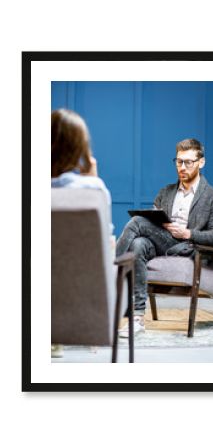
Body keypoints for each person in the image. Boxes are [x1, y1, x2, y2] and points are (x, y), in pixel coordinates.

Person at [117, 138, 213, 337]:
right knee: (138, 243)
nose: (182, 167)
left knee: (137, 223)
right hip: (163, 242)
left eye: (188, 162)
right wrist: (156, 220)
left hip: (187, 245)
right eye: (178, 162)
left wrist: (188, 233)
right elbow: (153, 222)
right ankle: (138, 318)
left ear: (201, 162)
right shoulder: (165, 192)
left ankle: (109, 268)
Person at [51, 108, 113, 357]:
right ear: (80, 148)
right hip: (86, 289)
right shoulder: (93, 188)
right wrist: (93, 180)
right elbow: (103, 237)